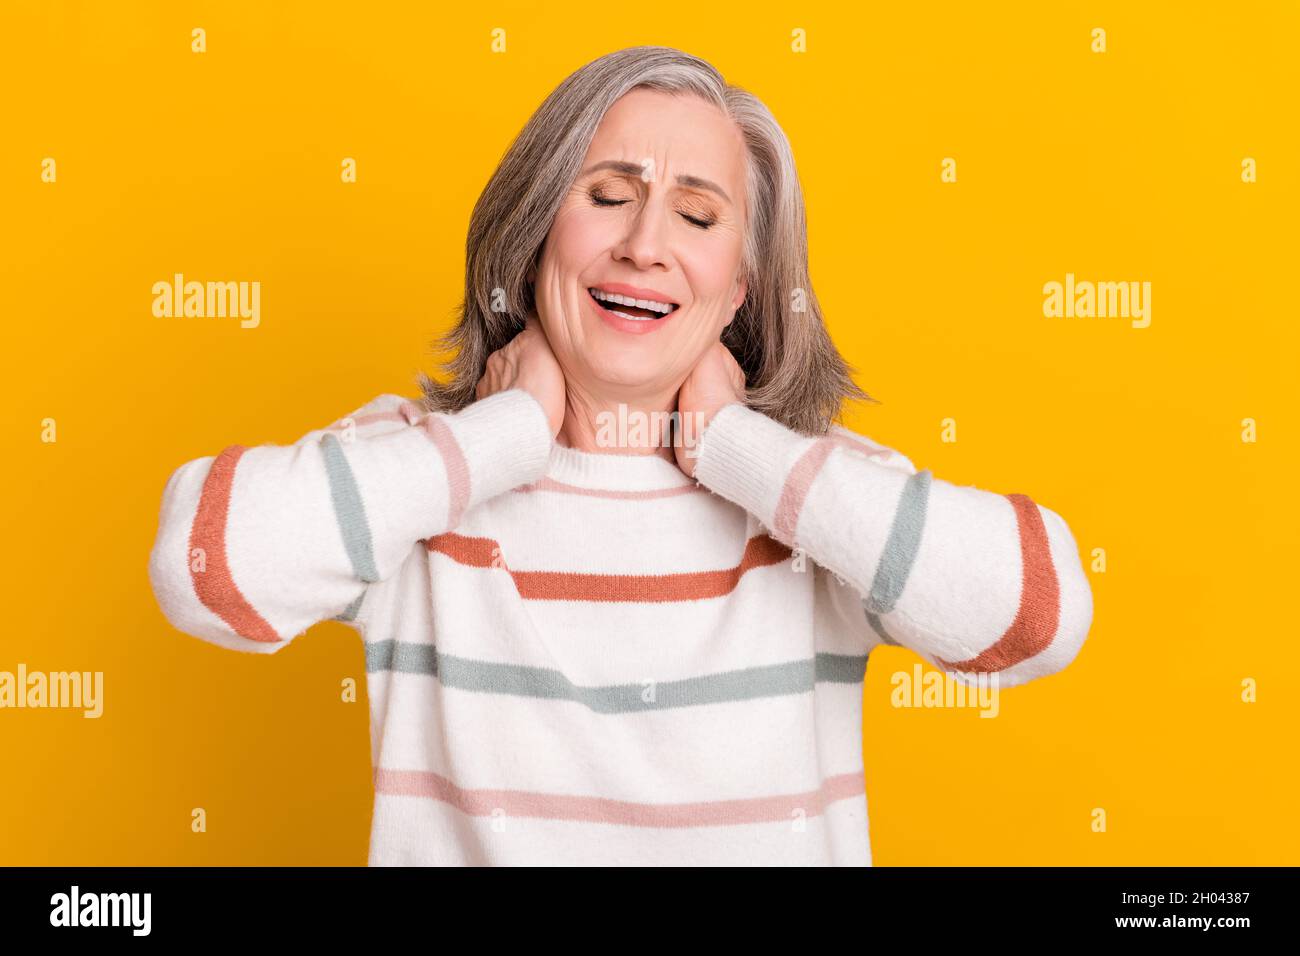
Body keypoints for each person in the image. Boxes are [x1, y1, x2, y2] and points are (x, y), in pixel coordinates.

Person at [148, 46, 1093, 865]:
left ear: (739, 292)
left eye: (697, 216)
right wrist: (504, 435)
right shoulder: (424, 475)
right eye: (607, 197)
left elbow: (1042, 615)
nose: (645, 246)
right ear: (531, 240)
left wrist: (735, 447)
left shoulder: (810, 494)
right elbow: (204, 571)